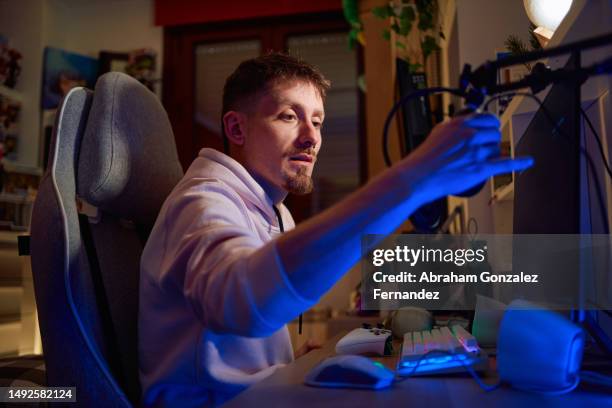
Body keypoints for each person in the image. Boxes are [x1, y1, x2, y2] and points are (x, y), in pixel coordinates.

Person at [138, 52, 532, 407]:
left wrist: (291, 356)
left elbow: (240, 334)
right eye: (289, 117)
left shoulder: (271, 211)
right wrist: (415, 177)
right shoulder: (203, 202)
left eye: (318, 121)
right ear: (236, 130)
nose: (311, 137)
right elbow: (241, 305)